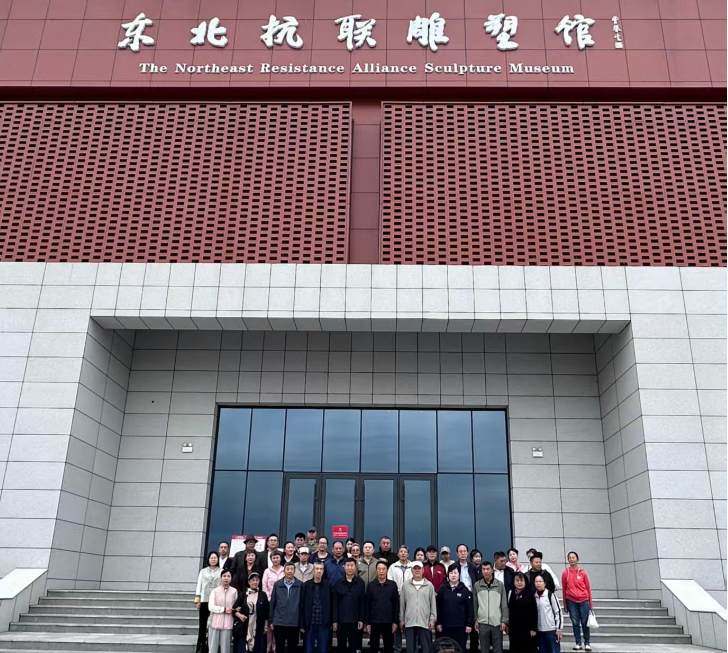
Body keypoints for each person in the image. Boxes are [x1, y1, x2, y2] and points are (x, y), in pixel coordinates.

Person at [400, 560, 437, 653]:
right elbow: (402, 603)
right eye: (415, 568)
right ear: (411, 570)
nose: (417, 570)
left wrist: (432, 619)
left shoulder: (429, 585)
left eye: (419, 568)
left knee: (426, 649)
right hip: (410, 622)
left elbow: (433, 604)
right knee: (410, 649)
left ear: (423, 570)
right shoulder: (405, 585)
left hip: (424, 622)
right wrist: (402, 619)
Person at [435, 566, 473, 653]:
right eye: (451, 573)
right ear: (448, 575)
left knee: (460, 648)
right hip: (446, 626)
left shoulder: (465, 590)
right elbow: (439, 607)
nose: (453, 575)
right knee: (446, 649)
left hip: (460, 627)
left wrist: (469, 624)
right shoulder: (443, 589)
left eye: (455, 573)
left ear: (459, 575)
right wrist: (438, 623)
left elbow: (469, 609)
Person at [472, 561, 507, 653]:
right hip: (482, 622)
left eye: (488, 569)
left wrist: (504, 620)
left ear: (492, 570)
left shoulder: (500, 585)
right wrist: (476, 619)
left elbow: (504, 604)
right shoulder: (477, 585)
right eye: (483, 569)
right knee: (484, 649)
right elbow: (475, 604)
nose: (486, 571)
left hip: (497, 621)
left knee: (498, 648)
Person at [365, 560, 399, 653]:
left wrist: (395, 622)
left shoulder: (392, 585)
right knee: (374, 647)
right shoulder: (371, 585)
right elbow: (367, 604)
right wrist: (368, 623)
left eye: (383, 569)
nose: (381, 571)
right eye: (379, 569)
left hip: (388, 621)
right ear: (376, 570)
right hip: (374, 621)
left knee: (389, 647)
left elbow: (396, 604)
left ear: (386, 570)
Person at [561, 552, 593, 652]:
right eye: (569, 558)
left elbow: (588, 588)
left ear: (577, 559)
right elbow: (564, 589)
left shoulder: (583, 573)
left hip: (583, 600)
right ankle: (578, 643)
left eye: (573, 557)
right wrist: (565, 604)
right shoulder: (565, 573)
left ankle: (587, 643)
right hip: (571, 600)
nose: (571, 559)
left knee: (584, 622)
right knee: (575, 622)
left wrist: (590, 603)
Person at [269, 562, 304, 653]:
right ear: (284, 571)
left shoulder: (300, 585)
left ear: (294, 571)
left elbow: (302, 604)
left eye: (292, 569)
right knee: (279, 647)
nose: (289, 571)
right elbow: (273, 602)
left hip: (294, 622)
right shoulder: (277, 584)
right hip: (279, 622)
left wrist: (301, 622)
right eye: (287, 569)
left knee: (292, 648)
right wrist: (271, 620)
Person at [333, 559, 366, 653]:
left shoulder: (360, 583)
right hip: (341, 620)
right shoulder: (338, 583)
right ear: (344, 567)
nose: (350, 568)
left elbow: (362, 602)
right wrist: (335, 621)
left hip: (355, 621)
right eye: (347, 565)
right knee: (341, 647)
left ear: (355, 567)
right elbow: (335, 603)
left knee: (354, 647)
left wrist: (361, 619)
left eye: (352, 566)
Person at [233, 571, 270, 653]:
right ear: (249, 582)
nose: (255, 582)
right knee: (243, 648)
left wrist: (266, 625)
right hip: (245, 626)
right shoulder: (243, 594)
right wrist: (240, 616)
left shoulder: (263, 595)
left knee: (258, 647)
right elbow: (234, 609)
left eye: (257, 580)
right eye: (253, 580)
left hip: (258, 626)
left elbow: (266, 611)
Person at [301, 561, 332, 653]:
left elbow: (332, 604)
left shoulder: (328, 585)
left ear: (323, 571)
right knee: (308, 649)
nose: (319, 571)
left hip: (323, 623)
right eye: (317, 569)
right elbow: (302, 605)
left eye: (321, 569)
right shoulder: (306, 585)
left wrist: (331, 621)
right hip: (310, 623)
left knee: (323, 650)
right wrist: (302, 622)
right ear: (313, 571)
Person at [196, 551, 222, 653]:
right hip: (204, 600)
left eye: (215, 558)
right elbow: (199, 585)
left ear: (218, 559)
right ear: (208, 559)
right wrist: (198, 600)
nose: (213, 559)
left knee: (213, 625)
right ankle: (201, 647)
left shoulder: (221, 571)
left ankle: (212, 647)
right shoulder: (203, 571)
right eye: (211, 558)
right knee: (203, 625)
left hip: (216, 602)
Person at [388, 547, 413, 653]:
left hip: (410, 598)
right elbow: (390, 581)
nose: (403, 554)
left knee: (409, 623)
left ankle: (410, 648)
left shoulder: (412, 566)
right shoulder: (393, 567)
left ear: (408, 554)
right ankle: (398, 648)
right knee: (398, 622)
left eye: (405, 552)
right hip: (397, 597)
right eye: (401, 552)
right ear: (398, 554)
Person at [506, 572, 537, 653]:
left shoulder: (530, 594)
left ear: (525, 582)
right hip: (514, 628)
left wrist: (533, 628)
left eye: (521, 580)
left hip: (526, 628)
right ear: (513, 582)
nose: (519, 583)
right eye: (517, 580)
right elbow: (509, 610)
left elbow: (534, 612)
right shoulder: (511, 593)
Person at [209, 569, 238, 653]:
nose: (226, 578)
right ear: (221, 578)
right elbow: (211, 607)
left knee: (226, 649)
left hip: (228, 623)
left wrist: (235, 610)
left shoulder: (234, 591)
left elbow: (235, 606)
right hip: (215, 623)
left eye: (228, 576)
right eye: (224, 576)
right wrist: (223, 609)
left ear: (231, 578)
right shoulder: (215, 591)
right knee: (212, 648)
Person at [263, 552, 285, 652]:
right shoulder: (267, 571)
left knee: (278, 626)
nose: (275, 559)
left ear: (280, 559)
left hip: (282, 602)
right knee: (269, 625)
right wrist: (269, 597)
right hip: (269, 601)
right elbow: (264, 585)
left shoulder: (284, 570)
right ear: (271, 559)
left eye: (277, 558)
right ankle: (268, 648)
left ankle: (276, 648)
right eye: (273, 558)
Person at [533, 574, 562, 653]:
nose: (538, 583)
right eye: (536, 581)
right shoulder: (534, 596)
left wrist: (558, 629)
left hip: (551, 630)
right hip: (539, 630)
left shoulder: (550, 595)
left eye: (540, 581)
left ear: (545, 583)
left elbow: (558, 612)